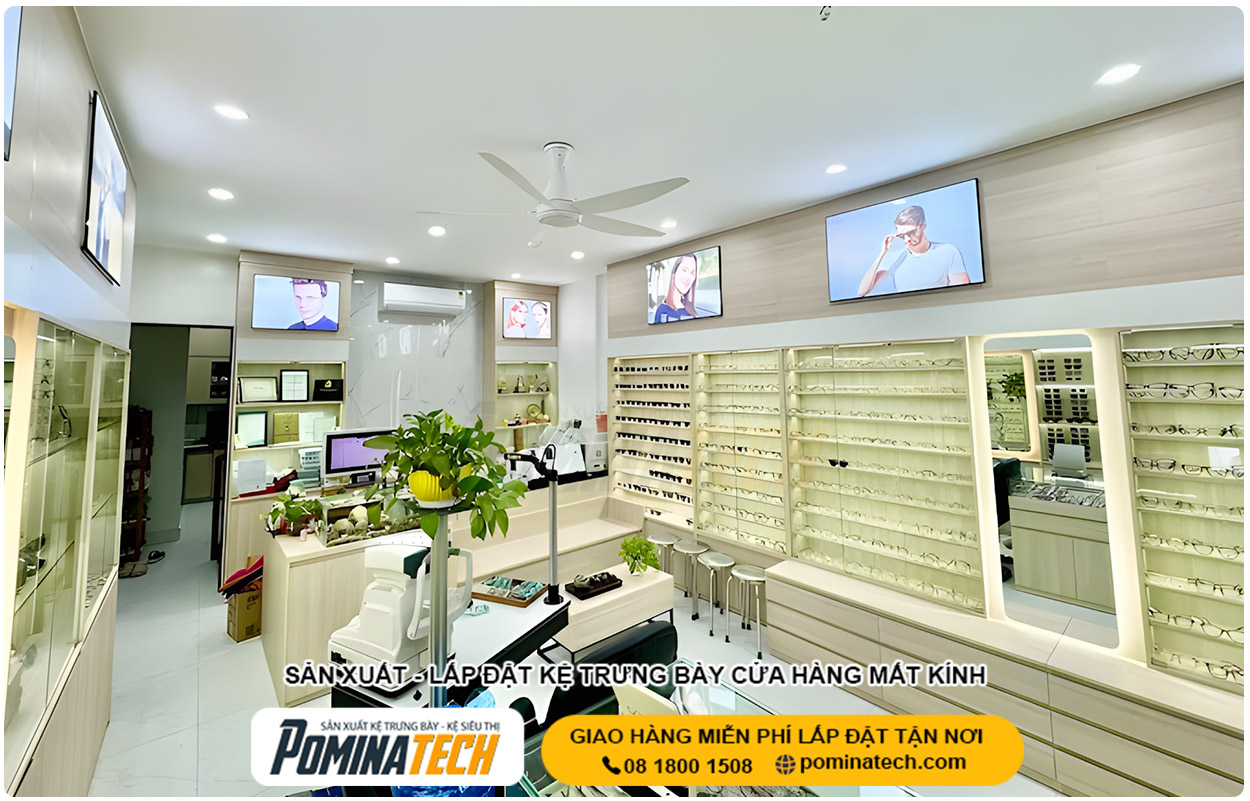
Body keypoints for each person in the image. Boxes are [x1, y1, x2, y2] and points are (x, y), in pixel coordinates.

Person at [856, 205, 970, 297]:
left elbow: (963, 293)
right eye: (901, 235)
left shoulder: (948, 251)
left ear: (923, 226)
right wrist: (883, 252)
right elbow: (862, 292)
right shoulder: (895, 257)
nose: (907, 239)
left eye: (911, 233)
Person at [652, 254, 698, 324]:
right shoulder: (662, 310)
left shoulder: (692, 313)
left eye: (692, 273)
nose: (688, 277)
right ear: (674, 273)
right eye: (684, 270)